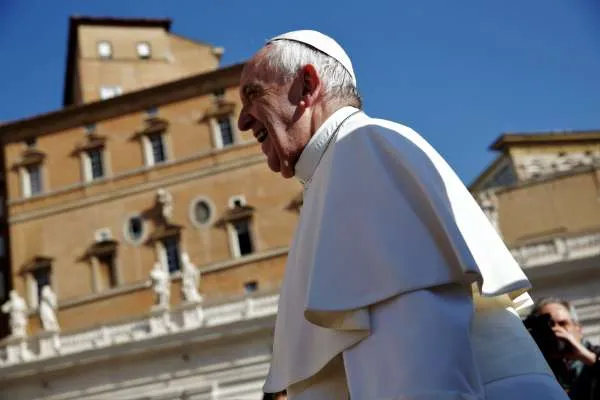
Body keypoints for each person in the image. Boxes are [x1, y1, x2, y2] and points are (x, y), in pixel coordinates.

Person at [239, 30, 568, 399]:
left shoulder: (361, 150)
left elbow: (421, 357)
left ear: (308, 86)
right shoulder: (331, 172)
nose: (240, 122)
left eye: (253, 95)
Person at [526, 298, 600, 399]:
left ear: (578, 328)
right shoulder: (532, 367)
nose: (555, 329)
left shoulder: (595, 355)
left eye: (562, 323)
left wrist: (589, 358)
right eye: (548, 325)